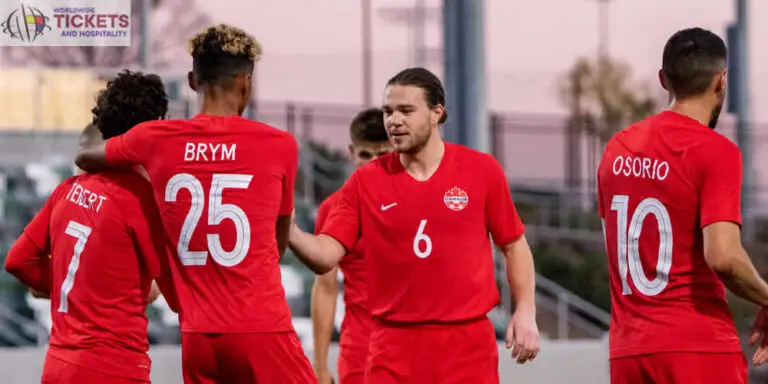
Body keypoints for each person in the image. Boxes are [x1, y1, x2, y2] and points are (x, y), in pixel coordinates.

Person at [75, 24, 316, 384]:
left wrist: (144, 184)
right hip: (261, 328)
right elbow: (277, 242)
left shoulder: (153, 139)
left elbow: (87, 158)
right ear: (246, 83)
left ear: (191, 79)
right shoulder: (279, 144)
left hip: (198, 336)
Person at [289, 67, 540, 383]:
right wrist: (290, 229)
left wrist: (526, 309)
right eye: (388, 111)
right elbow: (326, 255)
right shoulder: (365, 182)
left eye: (406, 111)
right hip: (393, 349)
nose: (394, 120)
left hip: (466, 348)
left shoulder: (481, 171)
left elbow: (514, 244)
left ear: (437, 113)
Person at [598, 27, 768, 384]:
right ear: (722, 81)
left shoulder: (617, 149)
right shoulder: (714, 151)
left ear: (663, 80)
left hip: (629, 353)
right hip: (697, 349)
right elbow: (723, 257)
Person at [5, 70, 179, 384]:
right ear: (154, 129)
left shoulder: (67, 189)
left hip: (58, 363)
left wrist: (81, 290)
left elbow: (18, 261)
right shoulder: (140, 199)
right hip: (113, 368)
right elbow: (178, 296)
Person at [311, 107, 391, 384]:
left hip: (415, 348)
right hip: (361, 351)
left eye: (383, 154)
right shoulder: (333, 209)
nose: (374, 164)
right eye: (365, 155)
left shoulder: (421, 202)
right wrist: (320, 366)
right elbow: (325, 287)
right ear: (351, 152)